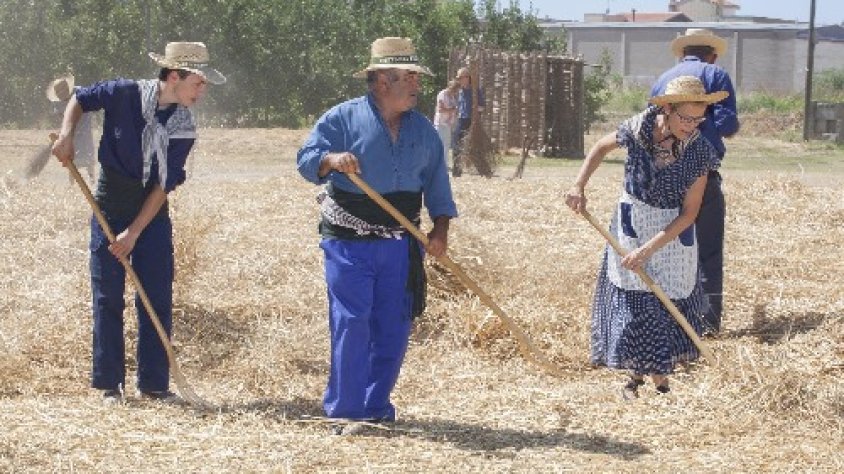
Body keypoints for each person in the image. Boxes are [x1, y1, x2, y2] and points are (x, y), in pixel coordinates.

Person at [297, 37, 457, 434]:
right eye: (410, 78)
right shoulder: (342, 119)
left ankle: (374, 407)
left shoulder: (425, 132)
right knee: (352, 321)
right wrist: (331, 160)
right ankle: (345, 411)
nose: (418, 86)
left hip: (401, 245)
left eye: (417, 78)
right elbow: (305, 159)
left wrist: (440, 230)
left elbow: (438, 188)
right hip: (347, 241)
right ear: (383, 82)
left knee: (394, 324)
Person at [51, 42, 225, 404]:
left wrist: (134, 232)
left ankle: (154, 385)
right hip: (110, 203)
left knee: (156, 297)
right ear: (174, 77)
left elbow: (165, 183)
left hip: (150, 212)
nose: (202, 91)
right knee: (107, 296)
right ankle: (108, 385)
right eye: (198, 83)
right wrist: (67, 134)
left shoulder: (184, 125)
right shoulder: (124, 93)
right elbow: (81, 98)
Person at [565, 76, 728, 398]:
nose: (692, 125)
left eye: (699, 119)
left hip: (670, 234)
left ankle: (651, 379)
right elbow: (599, 147)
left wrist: (649, 250)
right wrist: (578, 185)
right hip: (632, 222)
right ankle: (648, 380)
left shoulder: (700, 153)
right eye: (686, 118)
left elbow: (689, 213)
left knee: (663, 304)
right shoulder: (639, 129)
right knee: (636, 300)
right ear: (667, 109)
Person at [651, 28, 740, 334]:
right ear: (712, 53)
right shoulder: (717, 74)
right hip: (702, 173)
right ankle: (706, 324)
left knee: (665, 246)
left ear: (682, 52)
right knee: (708, 250)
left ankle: (665, 319)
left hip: (663, 173)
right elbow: (727, 124)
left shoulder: (664, 78)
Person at [46, 74, 97, 184]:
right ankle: (72, 184)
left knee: (88, 155)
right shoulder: (58, 103)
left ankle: (92, 180)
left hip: (84, 125)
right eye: (58, 92)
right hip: (71, 131)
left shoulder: (79, 93)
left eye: (61, 91)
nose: (60, 95)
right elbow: (59, 117)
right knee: (71, 158)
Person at [451, 66, 485, 177]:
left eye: (461, 77)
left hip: (471, 121)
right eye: (458, 78)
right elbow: (459, 107)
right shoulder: (460, 91)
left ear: (467, 77)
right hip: (461, 120)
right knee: (456, 145)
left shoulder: (475, 90)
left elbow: (482, 107)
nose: (459, 80)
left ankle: (483, 170)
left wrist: (476, 113)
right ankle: (456, 172)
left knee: (474, 147)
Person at [433, 79, 460, 170]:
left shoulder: (452, 97)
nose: (456, 92)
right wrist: (452, 110)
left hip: (447, 124)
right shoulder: (442, 94)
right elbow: (440, 109)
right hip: (440, 123)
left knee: (447, 145)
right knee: (439, 144)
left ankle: (444, 164)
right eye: (455, 90)